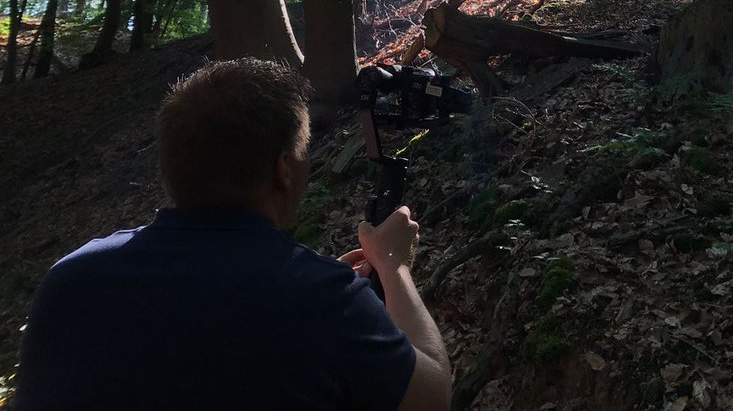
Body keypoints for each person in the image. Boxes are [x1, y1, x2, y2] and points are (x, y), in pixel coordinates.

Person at [14, 59, 451, 411]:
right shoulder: (325, 304)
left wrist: (315, 291)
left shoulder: (71, 279)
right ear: (283, 170)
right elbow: (433, 396)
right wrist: (393, 268)